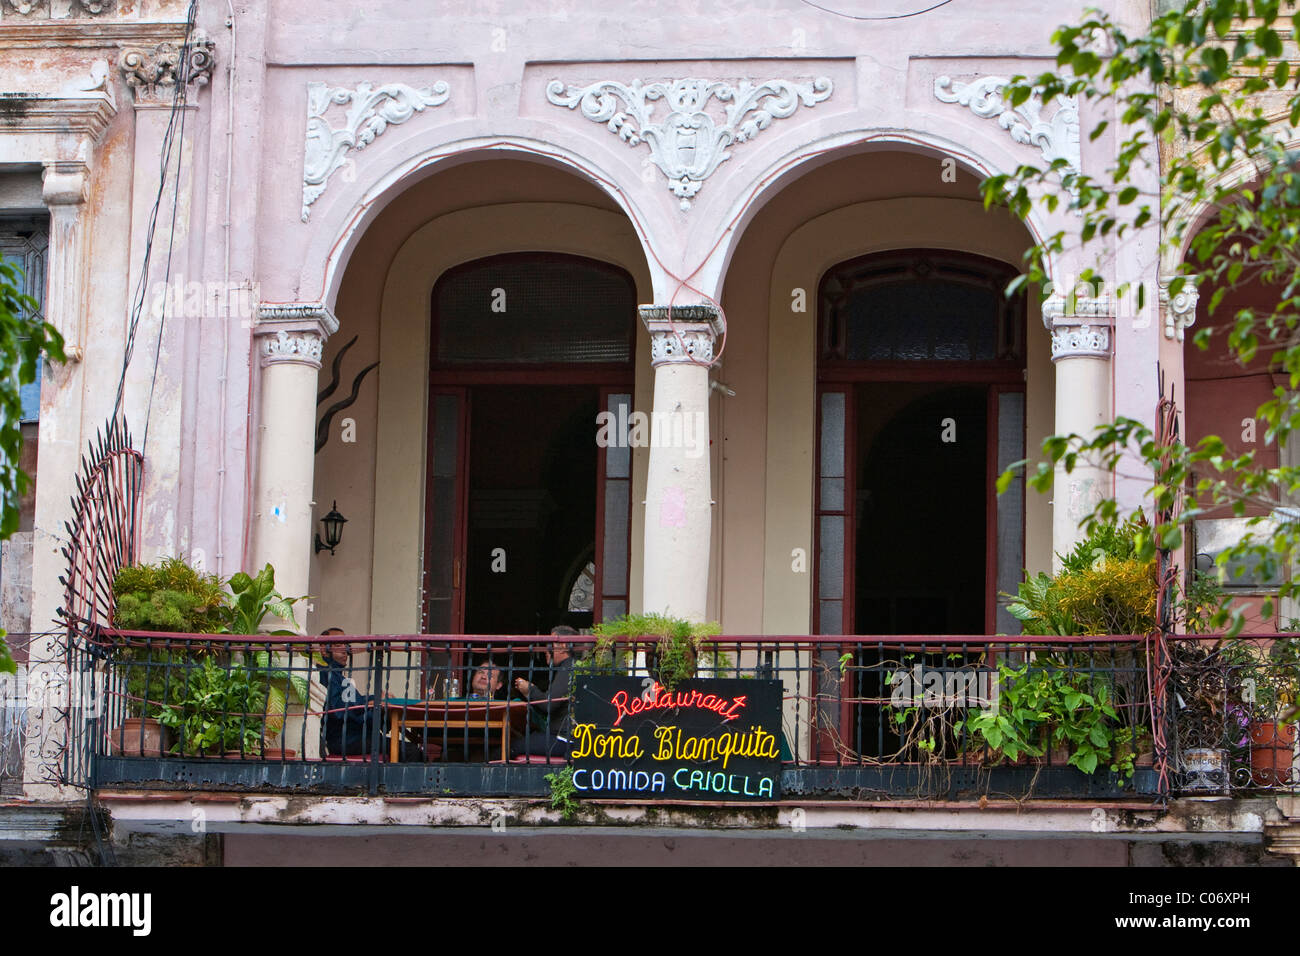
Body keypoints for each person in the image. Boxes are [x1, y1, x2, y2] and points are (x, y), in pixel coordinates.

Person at [317, 628, 422, 761]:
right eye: (338, 646)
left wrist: (377, 699)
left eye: (346, 645)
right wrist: (370, 705)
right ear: (323, 649)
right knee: (411, 751)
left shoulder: (338, 676)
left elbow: (356, 702)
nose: (345, 650)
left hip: (357, 737)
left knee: (410, 750)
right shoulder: (325, 674)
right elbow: (338, 710)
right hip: (346, 739)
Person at [511, 626, 579, 758]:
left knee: (513, 745)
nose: (546, 650)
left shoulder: (568, 668)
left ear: (563, 646)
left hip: (563, 740)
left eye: (550, 644)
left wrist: (530, 690)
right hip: (561, 737)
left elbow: (549, 705)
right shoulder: (567, 667)